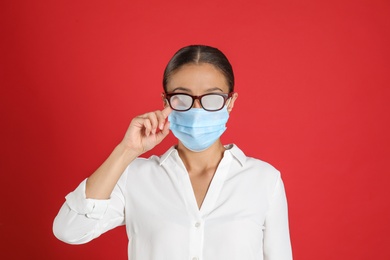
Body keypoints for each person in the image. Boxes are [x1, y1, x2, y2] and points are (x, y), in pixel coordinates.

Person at [53, 45, 293, 260]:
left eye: (212, 97)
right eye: (182, 97)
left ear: (230, 102)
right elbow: (69, 230)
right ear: (166, 102)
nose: (197, 108)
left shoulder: (264, 179)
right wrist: (126, 151)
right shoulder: (135, 177)